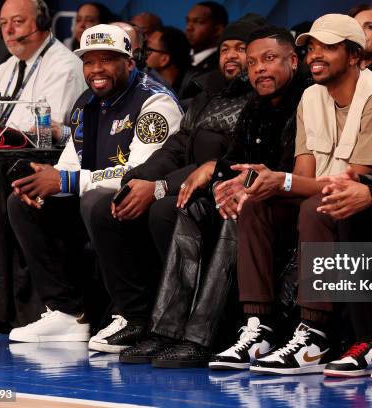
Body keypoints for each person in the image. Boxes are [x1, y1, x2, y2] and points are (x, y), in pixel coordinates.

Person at [209, 14, 372, 375]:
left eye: (328, 48)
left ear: (354, 55)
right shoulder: (311, 96)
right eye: (312, 47)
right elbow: (303, 174)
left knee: (316, 207)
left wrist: (280, 181)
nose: (316, 55)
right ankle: (259, 328)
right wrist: (263, 183)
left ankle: (316, 334)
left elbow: (355, 183)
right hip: (321, 199)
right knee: (255, 203)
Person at [120, 25, 310, 368]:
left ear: (294, 61)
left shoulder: (305, 100)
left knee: (234, 208)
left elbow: (285, 168)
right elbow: (235, 160)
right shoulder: (256, 104)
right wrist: (219, 172)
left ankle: (202, 337)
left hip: (286, 199)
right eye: (253, 63)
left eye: (269, 59)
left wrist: (233, 181)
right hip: (254, 190)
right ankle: (167, 329)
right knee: (194, 207)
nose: (259, 69)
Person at [81, 17, 257, 357]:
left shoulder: (258, 99)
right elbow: (179, 144)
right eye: (225, 49)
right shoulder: (208, 89)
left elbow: (225, 161)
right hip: (182, 182)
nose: (231, 56)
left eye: (240, 49)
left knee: (165, 209)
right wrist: (140, 179)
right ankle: (135, 316)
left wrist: (160, 186)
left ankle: (185, 327)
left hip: (220, 187)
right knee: (107, 206)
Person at [6, 24, 182, 343]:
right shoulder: (87, 102)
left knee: (95, 200)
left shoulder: (155, 104)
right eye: (89, 61)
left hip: (144, 206)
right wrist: (45, 185)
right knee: (23, 202)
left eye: (107, 59)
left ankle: (132, 315)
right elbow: (72, 164)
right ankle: (67, 312)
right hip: (97, 204)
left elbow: (139, 175)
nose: (96, 69)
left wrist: (68, 180)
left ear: (129, 62)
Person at [0, 0, 87, 142]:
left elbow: (46, 134)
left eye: (17, 21)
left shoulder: (65, 68)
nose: (8, 30)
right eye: (3, 23)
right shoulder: (6, 67)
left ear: (42, 23)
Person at [145, 26, 194, 100]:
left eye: (148, 49)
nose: (143, 53)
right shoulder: (146, 82)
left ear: (164, 60)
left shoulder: (193, 88)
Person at [184, 1, 227, 72]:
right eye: (187, 21)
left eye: (198, 21)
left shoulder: (220, 66)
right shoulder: (179, 58)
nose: (189, 27)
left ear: (217, 30)